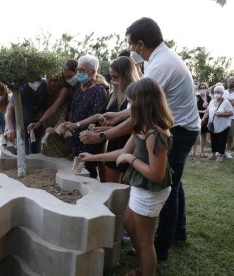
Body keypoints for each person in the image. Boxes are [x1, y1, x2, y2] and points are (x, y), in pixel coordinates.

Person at [80, 17, 200, 260]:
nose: (132, 50)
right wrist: (116, 115)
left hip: (180, 130)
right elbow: (136, 108)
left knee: (168, 184)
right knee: (174, 183)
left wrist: (102, 135)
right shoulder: (161, 60)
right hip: (180, 126)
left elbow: (138, 115)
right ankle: (178, 231)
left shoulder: (159, 67)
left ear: (141, 43)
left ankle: (161, 245)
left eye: (132, 45)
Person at [80, 78, 174, 276]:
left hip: (150, 191)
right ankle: (142, 268)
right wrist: (93, 156)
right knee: (130, 225)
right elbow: (122, 151)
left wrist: (131, 159)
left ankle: (146, 272)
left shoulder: (155, 135)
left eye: (132, 103)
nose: (129, 107)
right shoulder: (141, 127)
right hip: (141, 187)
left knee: (144, 241)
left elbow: (156, 175)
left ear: (143, 103)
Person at [64, 54, 108, 178]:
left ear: (93, 72)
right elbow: (73, 108)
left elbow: (96, 116)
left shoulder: (100, 91)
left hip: (90, 137)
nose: (78, 73)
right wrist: (70, 124)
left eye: (82, 70)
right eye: (78, 70)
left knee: (88, 169)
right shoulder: (78, 87)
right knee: (75, 168)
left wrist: (77, 124)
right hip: (75, 136)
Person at [5, 77, 47, 154]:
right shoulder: (19, 86)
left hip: (37, 127)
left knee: (36, 152)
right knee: (24, 152)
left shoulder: (44, 84)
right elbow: (9, 109)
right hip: (21, 127)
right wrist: (10, 127)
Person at [202, 86, 233, 161]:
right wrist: (202, 119)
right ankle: (213, 154)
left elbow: (231, 113)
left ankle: (220, 156)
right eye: (215, 92)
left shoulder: (226, 102)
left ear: (222, 93)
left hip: (223, 126)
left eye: (218, 92)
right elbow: (207, 111)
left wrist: (221, 114)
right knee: (214, 140)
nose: (216, 94)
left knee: (222, 141)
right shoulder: (212, 101)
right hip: (213, 125)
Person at [192, 83, 211, 157]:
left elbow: (211, 108)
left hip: (206, 118)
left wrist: (206, 113)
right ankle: (193, 152)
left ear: (206, 89)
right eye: (201, 88)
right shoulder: (196, 97)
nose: (202, 89)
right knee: (196, 134)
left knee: (204, 135)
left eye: (204, 88)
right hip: (197, 117)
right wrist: (202, 111)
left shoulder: (209, 98)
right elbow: (193, 109)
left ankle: (202, 152)